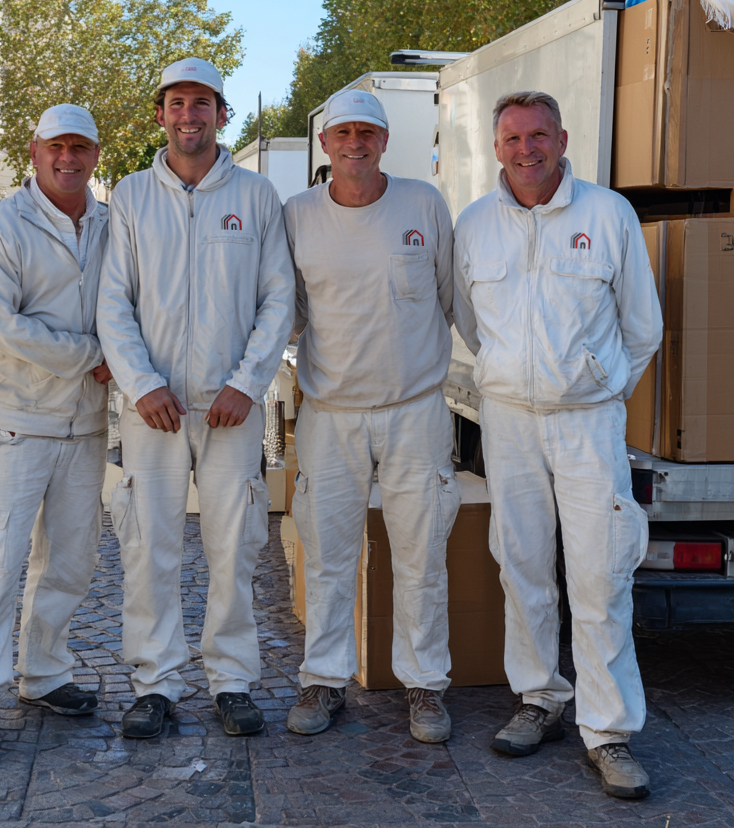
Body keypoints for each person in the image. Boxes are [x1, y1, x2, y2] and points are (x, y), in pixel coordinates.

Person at [453, 91, 662, 800]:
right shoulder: (475, 224)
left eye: (538, 135)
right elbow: (471, 321)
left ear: (563, 138)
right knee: (522, 564)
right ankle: (538, 698)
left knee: (601, 576)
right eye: (512, 138)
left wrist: (596, 387)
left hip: (587, 423)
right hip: (508, 420)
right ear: (496, 147)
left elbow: (642, 325)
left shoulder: (607, 215)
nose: (527, 150)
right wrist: (512, 375)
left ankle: (608, 731)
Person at [98, 58, 295, 739]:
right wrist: (142, 383)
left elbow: (278, 299)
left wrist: (248, 382)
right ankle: (155, 684)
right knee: (148, 547)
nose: (190, 115)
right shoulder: (130, 196)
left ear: (221, 113)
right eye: (177, 103)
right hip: (152, 409)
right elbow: (112, 301)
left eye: (202, 103)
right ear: (160, 113)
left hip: (228, 409)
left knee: (234, 545)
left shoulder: (257, 196)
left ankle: (233, 680)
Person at [282, 88, 457, 741]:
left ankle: (425, 686)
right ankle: (324, 680)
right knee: (327, 554)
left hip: (415, 410)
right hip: (330, 412)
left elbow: (449, 296)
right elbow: (286, 309)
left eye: (368, 133)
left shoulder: (423, 204)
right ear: (325, 144)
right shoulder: (296, 215)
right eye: (343, 133)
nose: (355, 144)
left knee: (422, 553)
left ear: (385, 141)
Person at [0, 104, 112, 760]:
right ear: (34, 150)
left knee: (70, 561)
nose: (67, 159)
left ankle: (44, 672)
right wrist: (89, 355)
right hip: (18, 421)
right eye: (56, 147)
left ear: (95, 154)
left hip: (86, 422)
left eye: (79, 148)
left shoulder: (108, 223)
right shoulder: (4, 226)